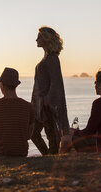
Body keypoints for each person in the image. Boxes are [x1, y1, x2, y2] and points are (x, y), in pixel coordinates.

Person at [31, 26, 71, 155]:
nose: (36, 39)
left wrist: (47, 101)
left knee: (52, 136)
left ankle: (51, 158)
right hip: (40, 104)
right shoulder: (46, 58)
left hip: (46, 104)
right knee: (34, 133)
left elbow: (56, 82)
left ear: (46, 39)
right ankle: (48, 156)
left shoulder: (52, 58)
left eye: (39, 36)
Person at [0, 67, 34, 157]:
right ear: (16, 85)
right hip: (21, 152)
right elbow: (28, 136)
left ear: (2, 85)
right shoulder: (29, 107)